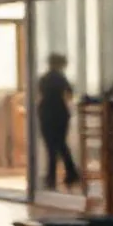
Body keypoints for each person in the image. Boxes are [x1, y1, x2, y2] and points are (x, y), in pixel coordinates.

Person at [36, 53, 80, 190]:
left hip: (46, 113)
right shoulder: (61, 78)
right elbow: (70, 93)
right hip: (60, 112)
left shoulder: (44, 78)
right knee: (61, 144)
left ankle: (52, 177)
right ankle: (70, 173)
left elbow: (39, 94)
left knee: (51, 146)